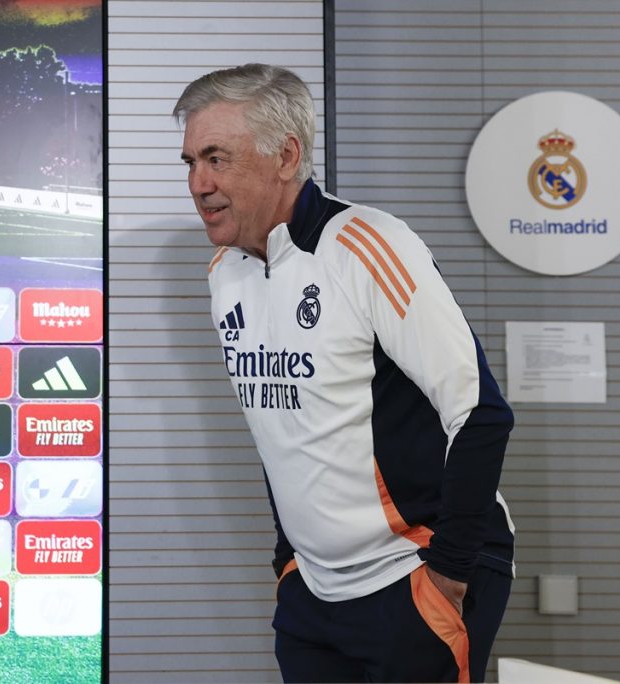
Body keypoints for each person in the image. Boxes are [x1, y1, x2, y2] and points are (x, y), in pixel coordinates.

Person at [174, 63, 515, 683]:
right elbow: (284, 431)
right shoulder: (224, 273)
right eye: (190, 162)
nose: (199, 183)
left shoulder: (366, 244)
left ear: (286, 155)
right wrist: (289, 563)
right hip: (313, 591)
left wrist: (448, 575)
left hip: (413, 572)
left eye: (217, 158)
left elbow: (481, 413)